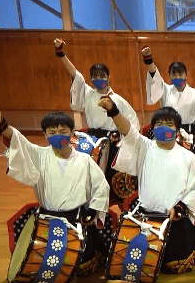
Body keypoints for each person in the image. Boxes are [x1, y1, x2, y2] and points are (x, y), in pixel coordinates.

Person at [97, 98, 195, 273]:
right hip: (147, 219)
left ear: (177, 129)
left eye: (169, 124)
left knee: (173, 266)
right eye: (159, 124)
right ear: (152, 128)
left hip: (175, 220)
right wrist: (113, 110)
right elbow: (127, 130)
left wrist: (181, 207)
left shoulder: (188, 157)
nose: (164, 128)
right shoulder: (145, 147)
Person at [0, 109, 110, 275]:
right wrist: (1, 123)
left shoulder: (84, 160)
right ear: (45, 135)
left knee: (84, 264)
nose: (58, 135)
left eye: (63, 132)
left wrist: (92, 210)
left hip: (76, 217)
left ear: (72, 133)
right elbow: (18, 139)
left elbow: (101, 186)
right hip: (47, 217)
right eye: (52, 132)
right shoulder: (39, 155)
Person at [54, 38, 140, 205]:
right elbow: (75, 75)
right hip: (92, 141)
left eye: (102, 76)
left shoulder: (118, 100)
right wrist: (61, 54)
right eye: (94, 76)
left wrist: (126, 142)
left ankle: (117, 204)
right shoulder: (87, 94)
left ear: (109, 77)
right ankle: (88, 204)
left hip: (114, 142)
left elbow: (132, 123)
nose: (98, 79)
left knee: (115, 175)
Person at [141, 45, 195, 137]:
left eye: (180, 73)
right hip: (168, 132)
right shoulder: (165, 90)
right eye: (173, 74)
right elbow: (155, 78)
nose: (177, 77)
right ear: (169, 76)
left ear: (186, 75)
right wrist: (148, 60)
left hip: (189, 135)